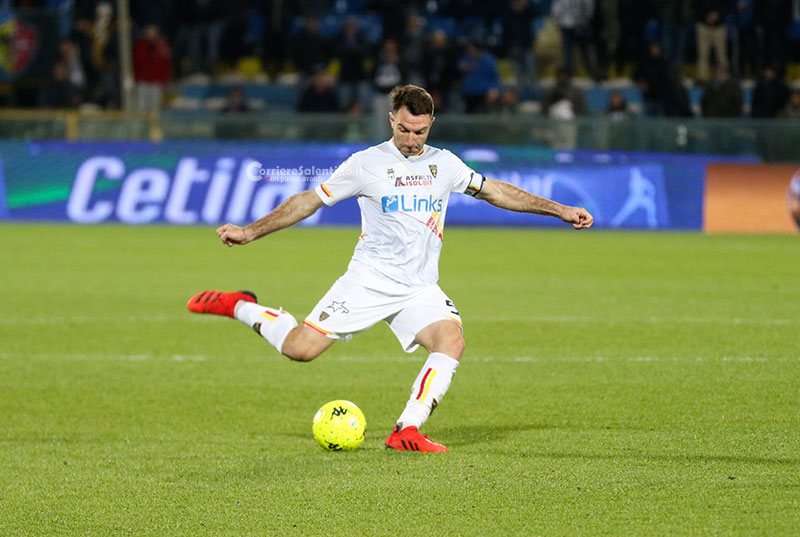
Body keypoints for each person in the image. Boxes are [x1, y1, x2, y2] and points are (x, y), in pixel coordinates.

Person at [187, 85, 593, 452]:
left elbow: (496, 191)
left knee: (451, 341)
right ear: (391, 120)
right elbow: (308, 201)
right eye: (404, 130)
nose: (412, 140)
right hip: (368, 281)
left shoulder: (445, 164)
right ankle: (241, 305)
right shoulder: (365, 164)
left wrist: (559, 210)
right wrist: (250, 232)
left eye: (420, 132)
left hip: (418, 287)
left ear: (431, 124)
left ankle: (406, 429)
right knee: (300, 350)